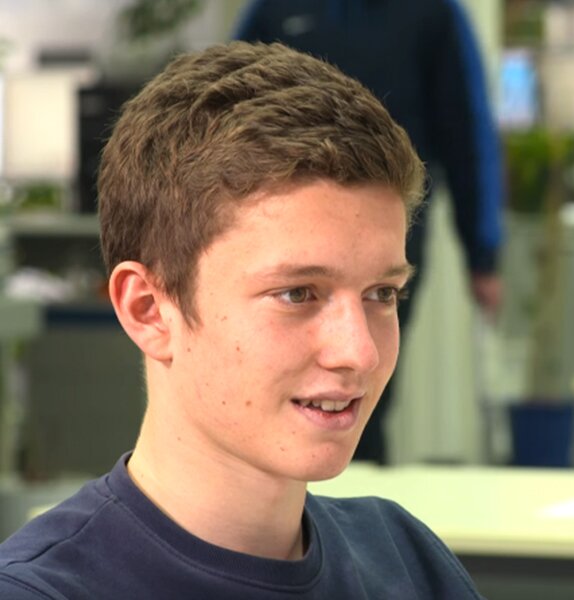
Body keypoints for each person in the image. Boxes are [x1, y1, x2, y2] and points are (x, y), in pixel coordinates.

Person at [0, 41, 483, 599]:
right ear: (149, 310)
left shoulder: (407, 561)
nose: (360, 352)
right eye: (298, 294)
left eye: (382, 293)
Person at [234, 0, 505, 464]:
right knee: (274, 388)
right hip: (281, 239)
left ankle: (349, 498)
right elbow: (224, 114)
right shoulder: (273, 8)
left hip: (386, 239)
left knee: (360, 386)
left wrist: (483, 256)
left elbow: (467, 134)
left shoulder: (432, 12)